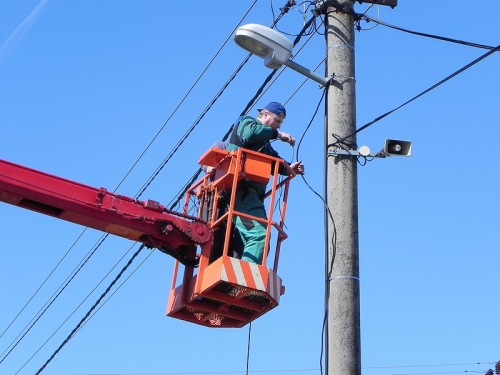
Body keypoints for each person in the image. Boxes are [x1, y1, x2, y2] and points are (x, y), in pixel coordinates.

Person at [227, 102, 304, 264]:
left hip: (251, 194)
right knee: (259, 234)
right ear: (265, 114)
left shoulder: (264, 144)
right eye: (277, 120)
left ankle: (243, 274)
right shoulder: (246, 122)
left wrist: (289, 168)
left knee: (261, 238)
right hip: (240, 189)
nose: (278, 125)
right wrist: (278, 134)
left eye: (280, 123)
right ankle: (245, 278)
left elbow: (274, 162)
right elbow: (250, 133)